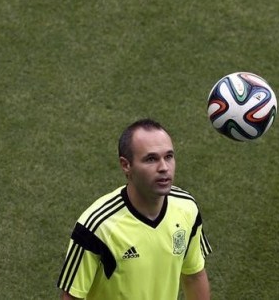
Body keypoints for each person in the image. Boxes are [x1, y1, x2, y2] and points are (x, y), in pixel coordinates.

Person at [57, 118, 212, 300]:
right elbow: (72, 296)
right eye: (151, 159)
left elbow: (194, 275)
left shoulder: (186, 208)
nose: (164, 168)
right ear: (126, 165)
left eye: (168, 156)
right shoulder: (97, 226)